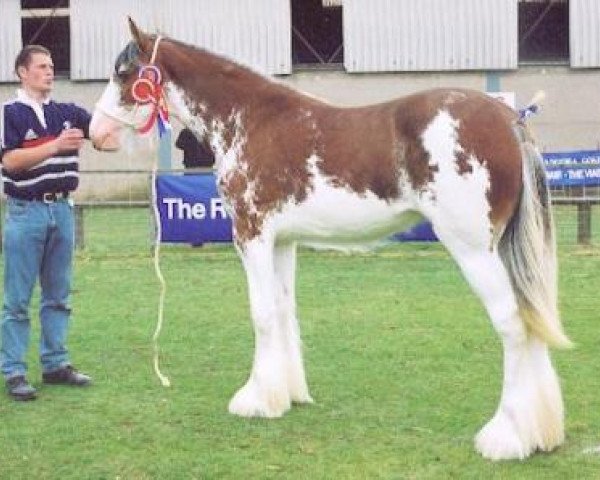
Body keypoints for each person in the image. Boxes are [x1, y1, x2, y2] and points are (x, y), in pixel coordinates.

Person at [0, 45, 92, 401]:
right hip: (27, 212)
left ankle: (55, 364)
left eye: (52, 66)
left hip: (62, 210)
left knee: (58, 295)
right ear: (23, 72)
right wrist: (55, 146)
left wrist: (114, 127)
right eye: (42, 66)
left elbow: (102, 134)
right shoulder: (8, 113)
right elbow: (11, 162)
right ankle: (14, 371)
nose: (50, 72)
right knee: (17, 299)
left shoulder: (68, 112)